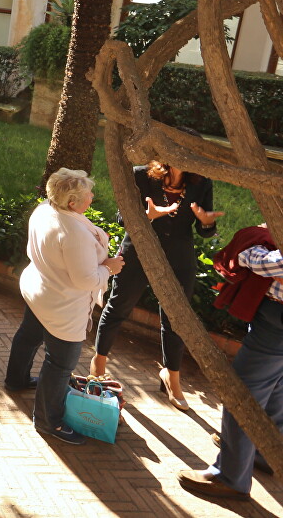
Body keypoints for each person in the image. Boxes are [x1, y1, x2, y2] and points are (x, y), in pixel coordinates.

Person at [90, 153, 224, 410]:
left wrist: (208, 223)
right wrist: (146, 216)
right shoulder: (142, 175)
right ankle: (99, 363)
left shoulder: (201, 183)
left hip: (179, 256)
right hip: (139, 249)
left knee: (176, 318)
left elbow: (203, 230)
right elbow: (122, 217)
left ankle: (171, 377)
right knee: (119, 306)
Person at [6, 168, 125, 445]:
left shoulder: (45, 209)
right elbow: (86, 280)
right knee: (60, 364)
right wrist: (110, 268)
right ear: (72, 202)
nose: (93, 196)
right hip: (62, 306)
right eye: (87, 194)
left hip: (38, 291)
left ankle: (16, 380)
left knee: (28, 336)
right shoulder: (73, 233)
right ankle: (49, 422)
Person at [178, 224, 281, 502]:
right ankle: (264, 452)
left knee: (242, 395)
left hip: (277, 324)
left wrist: (248, 254)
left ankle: (230, 477)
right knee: (276, 390)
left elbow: (276, 265)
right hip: (273, 317)